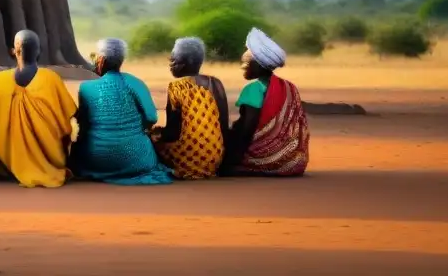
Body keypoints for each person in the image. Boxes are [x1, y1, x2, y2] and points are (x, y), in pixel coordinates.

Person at [69, 38, 172, 185]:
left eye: (95, 57)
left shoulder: (86, 87)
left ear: (101, 60)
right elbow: (151, 117)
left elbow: (83, 123)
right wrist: (138, 129)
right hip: (136, 159)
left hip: (95, 158)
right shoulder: (136, 83)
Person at [0, 30, 76, 188]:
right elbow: (70, 117)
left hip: (6, 162)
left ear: (14, 51)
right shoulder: (51, 79)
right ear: (39, 51)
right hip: (51, 158)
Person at [222, 27, 310, 177]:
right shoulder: (289, 86)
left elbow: (248, 127)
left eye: (246, 63)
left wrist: (233, 158)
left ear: (259, 65)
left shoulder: (253, 89)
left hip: (263, 159)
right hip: (292, 160)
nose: (242, 67)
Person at [152, 37, 228, 180]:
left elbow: (173, 132)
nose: (170, 64)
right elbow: (223, 125)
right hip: (216, 157)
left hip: (188, 158)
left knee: (150, 143)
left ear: (188, 62)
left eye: (174, 60)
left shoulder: (176, 87)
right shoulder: (216, 83)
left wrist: (157, 136)